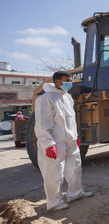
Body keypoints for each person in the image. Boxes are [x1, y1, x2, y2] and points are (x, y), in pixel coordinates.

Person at [35, 71, 93, 212]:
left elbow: (71, 121)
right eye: (66, 80)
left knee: (75, 168)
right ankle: (54, 202)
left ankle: (75, 193)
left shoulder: (68, 98)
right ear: (57, 82)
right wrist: (48, 144)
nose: (69, 83)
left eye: (70, 80)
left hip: (70, 141)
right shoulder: (46, 99)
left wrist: (76, 136)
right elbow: (43, 124)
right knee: (54, 173)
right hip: (56, 143)